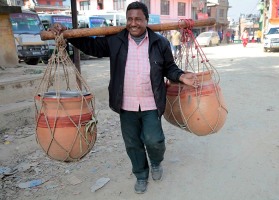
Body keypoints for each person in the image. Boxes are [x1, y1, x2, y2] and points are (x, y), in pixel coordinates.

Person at [49, 1, 196, 194]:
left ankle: (156, 161)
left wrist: (181, 76)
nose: (133, 23)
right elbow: (91, 46)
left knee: (154, 140)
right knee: (133, 143)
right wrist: (67, 34)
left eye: (138, 19)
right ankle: (141, 175)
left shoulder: (160, 43)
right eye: (130, 19)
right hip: (126, 105)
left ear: (146, 20)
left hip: (151, 102)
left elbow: (169, 67)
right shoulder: (116, 40)